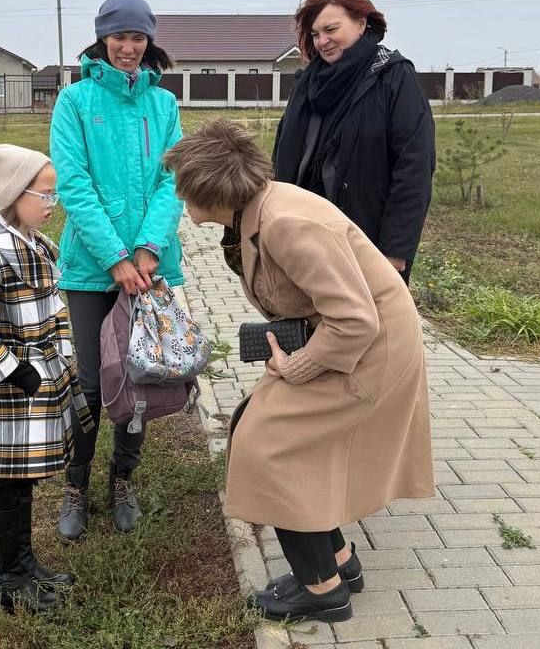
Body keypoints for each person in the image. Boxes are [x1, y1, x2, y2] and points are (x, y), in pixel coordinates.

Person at [165, 119, 434, 623]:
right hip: (348, 339)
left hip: (370, 350)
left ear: (207, 189)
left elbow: (355, 319)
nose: (180, 196)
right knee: (257, 426)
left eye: (183, 185)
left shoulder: (286, 223)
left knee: (269, 449)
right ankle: (336, 561)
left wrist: (297, 366)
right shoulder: (259, 210)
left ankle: (323, 591)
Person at [49, 0, 184, 540]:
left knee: (139, 374)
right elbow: (74, 186)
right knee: (88, 381)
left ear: (149, 40)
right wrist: (115, 259)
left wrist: (149, 250)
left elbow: (173, 180)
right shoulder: (75, 103)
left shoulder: (164, 105)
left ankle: (122, 478)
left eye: (138, 37)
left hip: (151, 269)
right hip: (91, 269)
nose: (129, 47)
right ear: (102, 39)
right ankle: (75, 484)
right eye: (119, 36)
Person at [0, 144, 94, 613]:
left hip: (39, 385)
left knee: (24, 477)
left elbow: (55, 314)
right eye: (46, 195)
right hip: (12, 394)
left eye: (54, 196)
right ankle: (9, 580)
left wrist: (64, 364)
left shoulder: (39, 248)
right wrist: (17, 372)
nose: (52, 205)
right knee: (6, 482)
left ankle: (25, 562)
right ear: (15, 195)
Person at [272, 0, 435, 284]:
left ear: (361, 23)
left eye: (331, 30)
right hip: (308, 237)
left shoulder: (393, 77)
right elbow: (282, 156)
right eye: (315, 34)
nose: (322, 41)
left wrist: (395, 250)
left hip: (369, 243)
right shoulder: (308, 84)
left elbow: (414, 167)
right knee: (313, 326)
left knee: (373, 328)